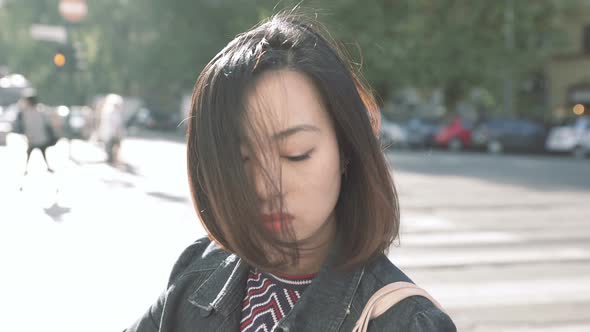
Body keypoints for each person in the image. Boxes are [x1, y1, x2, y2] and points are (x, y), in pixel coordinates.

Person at [125, 13, 456, 332]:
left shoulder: (406, 321)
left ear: (345, 149)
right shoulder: (199, 269)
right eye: (240, 161)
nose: (266, 187)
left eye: (296, 154)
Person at [15, 90, 57, 174]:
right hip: (40, 137)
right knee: (40, 152)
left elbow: (26, 125)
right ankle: (45, 167)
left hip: (33, 138)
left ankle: (26, 168)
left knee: (30, 153)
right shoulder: (40, 110)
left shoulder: (27, 112)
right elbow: (47, 122)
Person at [96, 93, 125, 164]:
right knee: (112, 146)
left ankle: (111, 158)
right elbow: (115, 123)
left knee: (110, 146)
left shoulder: (107, 110)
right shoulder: (112, 111)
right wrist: (117, 132)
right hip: (112, 132)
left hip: (109, 132)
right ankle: (112, 159)